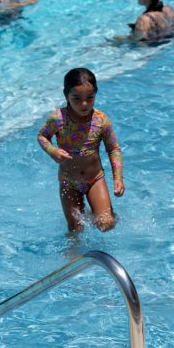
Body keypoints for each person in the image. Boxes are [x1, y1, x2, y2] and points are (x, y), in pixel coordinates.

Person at [37, 68, 124, 232]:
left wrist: (118, 178)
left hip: (94, 180)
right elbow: (42, 136)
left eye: (90, 98)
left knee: (106, 224)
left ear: (96, 94)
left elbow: (113, 148)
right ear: (66, 96)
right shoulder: (58, 119)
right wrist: (52, 151)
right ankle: (73, 255)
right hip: (68, 182)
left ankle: (100, 212)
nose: (84, 103)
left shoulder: (101, 120)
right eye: (77, 98)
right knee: (75, 228)